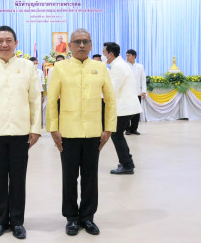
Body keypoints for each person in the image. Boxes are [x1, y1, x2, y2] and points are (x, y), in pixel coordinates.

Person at [47, 29, 117, 237]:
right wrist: (53, 128)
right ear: (69, 46)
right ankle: (71, 217)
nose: (81, 45)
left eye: (85, 42)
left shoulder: (100, 67)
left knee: (90, 176)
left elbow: (110, 100)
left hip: (93, 132)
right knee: (69, 176)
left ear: (91, 45)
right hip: (67, 132)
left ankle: (87, 217)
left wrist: (108, 128)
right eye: (77, 42)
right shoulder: (59, 68)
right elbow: (51, 101)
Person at [0, 26, 41, 239]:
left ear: (16, 43)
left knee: (19, 179)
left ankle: (18, 222)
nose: (4, 44)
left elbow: (35, 99)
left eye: (9, 40)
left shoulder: (27, 67)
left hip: (21, 132)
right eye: (0, 41)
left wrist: (35, 129)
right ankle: (0, 221)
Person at [103, 42, 142, 174]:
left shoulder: (118, 67)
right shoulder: (118, 64)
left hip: (124, 107)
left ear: (110, 54)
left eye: (104, 53)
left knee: (116, 134)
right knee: (117, 134)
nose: (103, 56)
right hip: (125, 106)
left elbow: (112, 89)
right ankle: (127, 162)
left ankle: (127, 165)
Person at [125, 49, 146, 135]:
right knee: (127, 112)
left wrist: (144, 91)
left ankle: (134, 129)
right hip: (127, 93)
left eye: (128, 55)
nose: (127, 57)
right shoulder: (125, 66)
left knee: (136, 112)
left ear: (134, 56)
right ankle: (127, 129)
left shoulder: (140, 66)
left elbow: (143, 79)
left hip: (137, 92)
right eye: (126, 55)